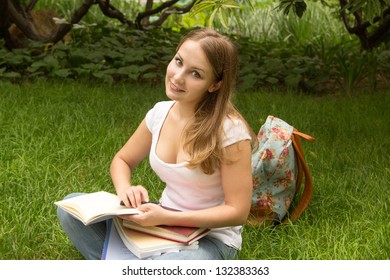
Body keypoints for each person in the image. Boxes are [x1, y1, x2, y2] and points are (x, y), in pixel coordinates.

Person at [57, 28, 258, 260]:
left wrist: (166, 217)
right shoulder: (159, 113)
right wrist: (125, 190)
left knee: (176, 264)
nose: (177, 77)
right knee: (71, 208)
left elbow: (237, 212)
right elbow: (122, 160)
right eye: (178, 61)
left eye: (196, 74)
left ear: (214, 84)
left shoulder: (230, 131)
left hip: (209, 239)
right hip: (159, 225)